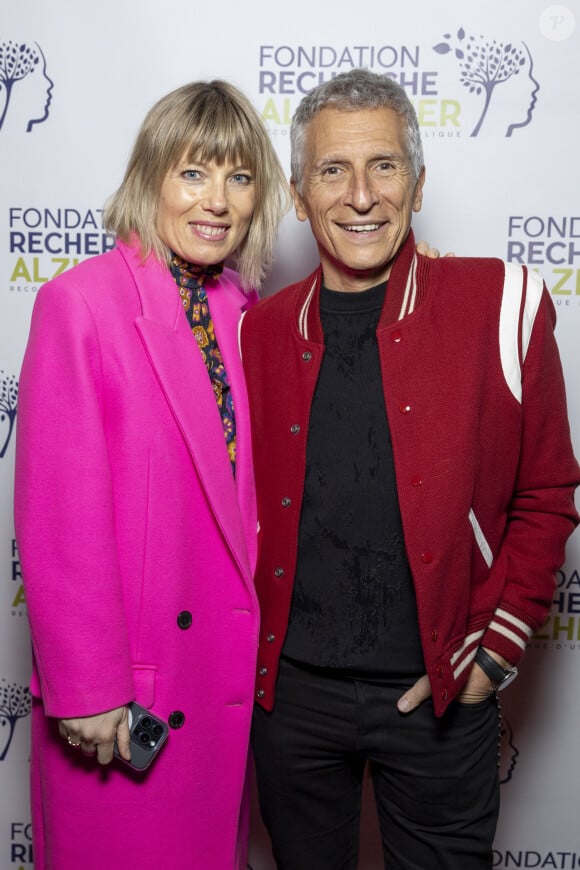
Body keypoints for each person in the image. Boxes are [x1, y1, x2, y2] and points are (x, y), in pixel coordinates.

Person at [240, 68, 580, 869]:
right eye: (333, 170)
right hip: (293, 702)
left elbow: (548, 492)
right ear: (297, 196)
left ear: (418, 182)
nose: (362, 195)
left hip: (442, 690)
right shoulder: (259, 332)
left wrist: (492, 655)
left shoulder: (504, 302)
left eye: (384, 165)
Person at [13, 79, 288, 870]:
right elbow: (60, 520)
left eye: (239, 177)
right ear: (151, 179)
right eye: (194, 173)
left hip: (219, 688)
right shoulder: (82, 304)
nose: (218, 200)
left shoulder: (248, 310)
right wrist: (88, 688)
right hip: (132, 702)